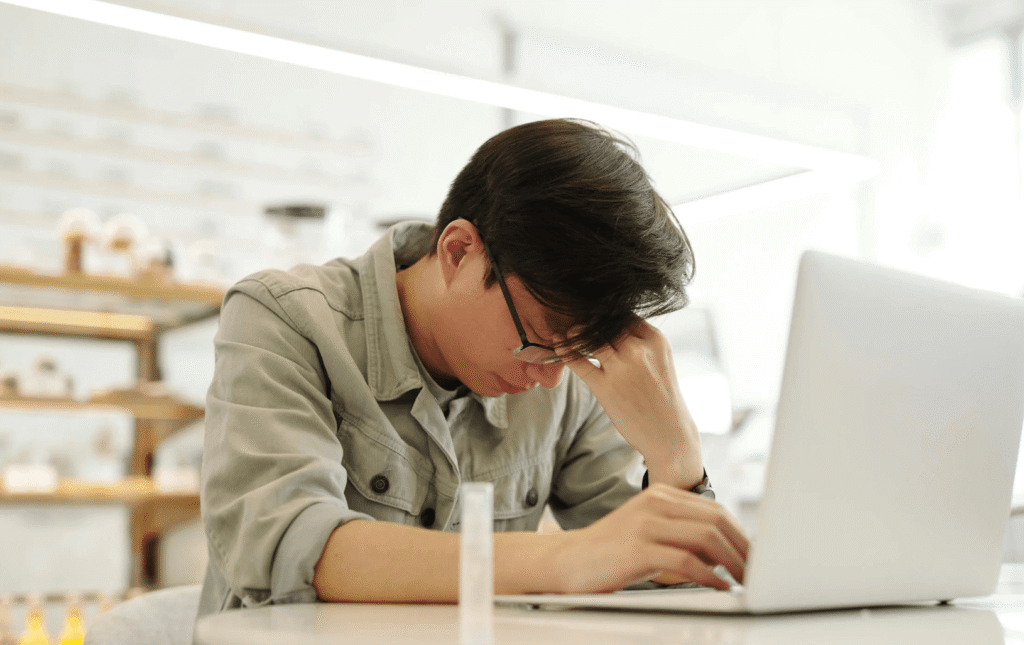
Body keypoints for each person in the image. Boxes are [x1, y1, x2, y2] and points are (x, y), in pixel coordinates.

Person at [196, 118, 748, 618]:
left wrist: (677, 459)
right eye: (540, 334)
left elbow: (663, 581)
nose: (551, 375)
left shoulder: (559, 371)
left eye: (574, 348)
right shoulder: (284, 317)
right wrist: (564, 558)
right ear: (460, 252)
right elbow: (290, 547)